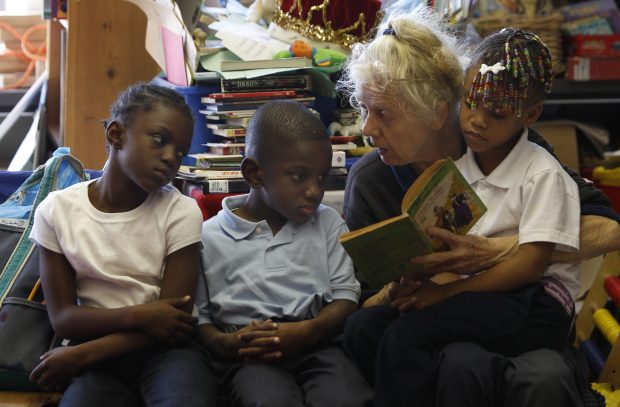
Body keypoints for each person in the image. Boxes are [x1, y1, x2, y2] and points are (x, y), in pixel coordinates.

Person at [337, 8, 620, 407]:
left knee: (468, 358)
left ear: (437, 112)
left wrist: (504, 250)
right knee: (366, 328)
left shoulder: (508, 147)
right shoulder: (371, 179)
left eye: (383, 113)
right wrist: (401, 288)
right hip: (453, 301)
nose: (367, 129)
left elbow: (607, 228)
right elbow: (362, 297)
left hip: (519, 302)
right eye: (363, 109)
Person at [28, 82, 217, 407]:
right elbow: (63, 318)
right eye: (159, 140)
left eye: (181, 151)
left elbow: (175, 321)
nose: (171, 158)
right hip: (100, 356)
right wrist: (144, 315)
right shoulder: (56, 211)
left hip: (167, 351)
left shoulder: (180, 210)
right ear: (116, 134)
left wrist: (81, 354)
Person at [195, 100, 373, 407]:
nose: (314, 191)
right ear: (254, 173)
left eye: (321, 178)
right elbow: (201, 323)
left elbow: (346, 298)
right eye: (299, 177)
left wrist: (308, 331)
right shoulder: (207, 237)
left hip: (317, 344)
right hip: (249, 357)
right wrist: (227, 344)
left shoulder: (328, 222)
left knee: (345, 398)